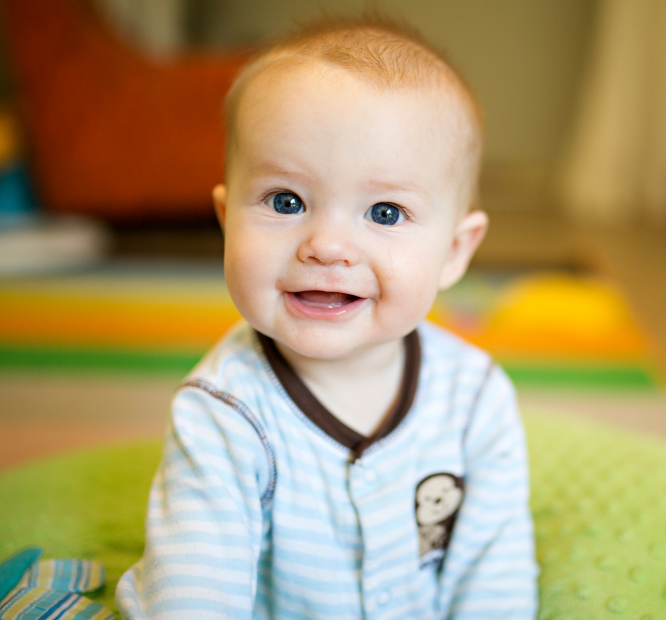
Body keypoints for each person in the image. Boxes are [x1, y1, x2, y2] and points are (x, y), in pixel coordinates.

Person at [116, 16, 538, 620]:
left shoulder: (474, 398)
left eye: (386, 213)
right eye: (286, 202)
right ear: (225, 217)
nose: (327, 245)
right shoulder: (226, 412)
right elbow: (192, 596)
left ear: (453, 252)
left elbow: (494, 576)